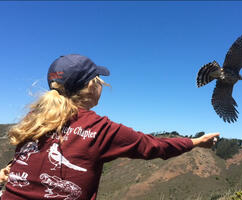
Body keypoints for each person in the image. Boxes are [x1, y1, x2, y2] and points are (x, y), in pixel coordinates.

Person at [1, 54, 220, 200]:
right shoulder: (99, 128)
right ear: (90, 85)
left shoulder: (34, 119)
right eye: (98, 80)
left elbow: (31, 155)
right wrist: (197, 142)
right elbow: (154, 146)